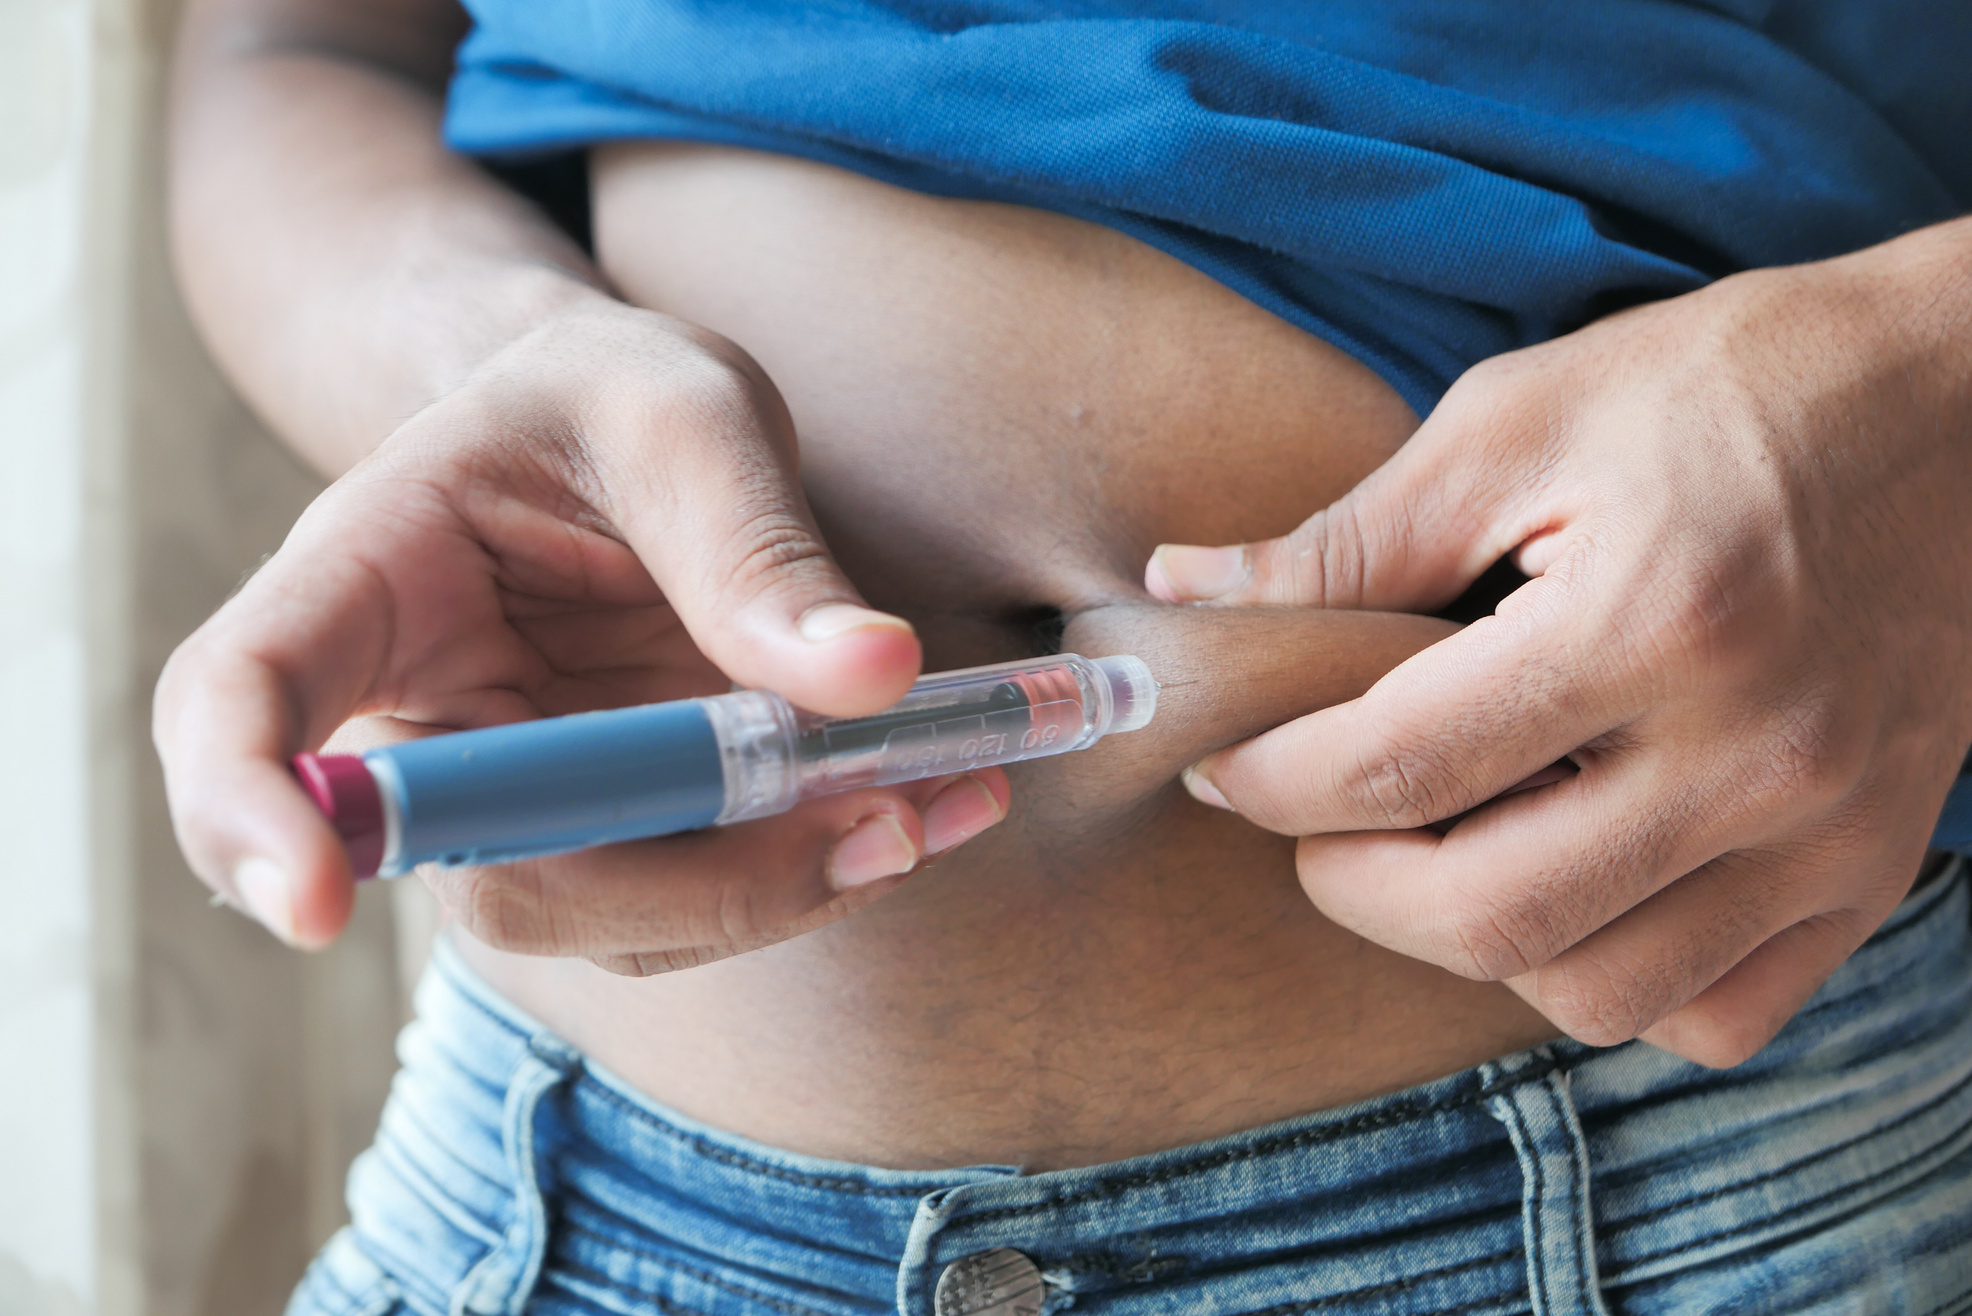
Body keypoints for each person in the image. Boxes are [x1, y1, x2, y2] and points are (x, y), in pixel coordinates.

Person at [156, 0, 1972, 1312]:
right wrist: (481, 358)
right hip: (586, 1208)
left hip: (1701, 1172)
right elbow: (297, 45)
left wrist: (1937, 372)